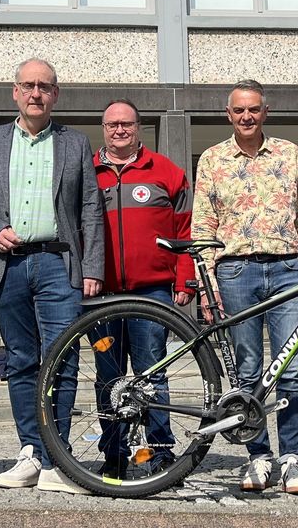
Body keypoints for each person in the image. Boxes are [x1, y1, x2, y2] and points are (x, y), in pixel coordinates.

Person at [0, 57, 104, 494]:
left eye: (45, 86)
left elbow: (91, 210)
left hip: (60, 265)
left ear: (55, 94)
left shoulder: (75, 143)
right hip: (10, 265)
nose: (36, 93)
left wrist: (93, 268)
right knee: (22, 359)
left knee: (64, 358)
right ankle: (30, 453)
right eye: (28, 85)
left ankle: (59, 460)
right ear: (15, 92)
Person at [191, 79, 298, 496]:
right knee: (247, 372)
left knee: (290, 370)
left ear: (265, 112)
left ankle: (292, 460)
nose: (247, 116)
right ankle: (258, 457)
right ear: (228, 115)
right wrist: (206, 284)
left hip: (286, 271)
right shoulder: (212, 158)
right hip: (234, 272)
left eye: (254, 109)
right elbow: (203, 223)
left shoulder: (288, 152)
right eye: (239, 110)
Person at [90, 98, 194, 477]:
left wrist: (185, 276)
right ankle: (114, 454)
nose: (120, 130)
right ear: (104, 128)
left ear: (139, 129)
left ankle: (161, 453)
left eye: (127, 124)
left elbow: (186, 230)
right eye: (113, 124)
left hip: (152, 292)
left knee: (153, 374)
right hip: (100, 295)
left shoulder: (166, 171)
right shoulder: (89, 172)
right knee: (108, 376)